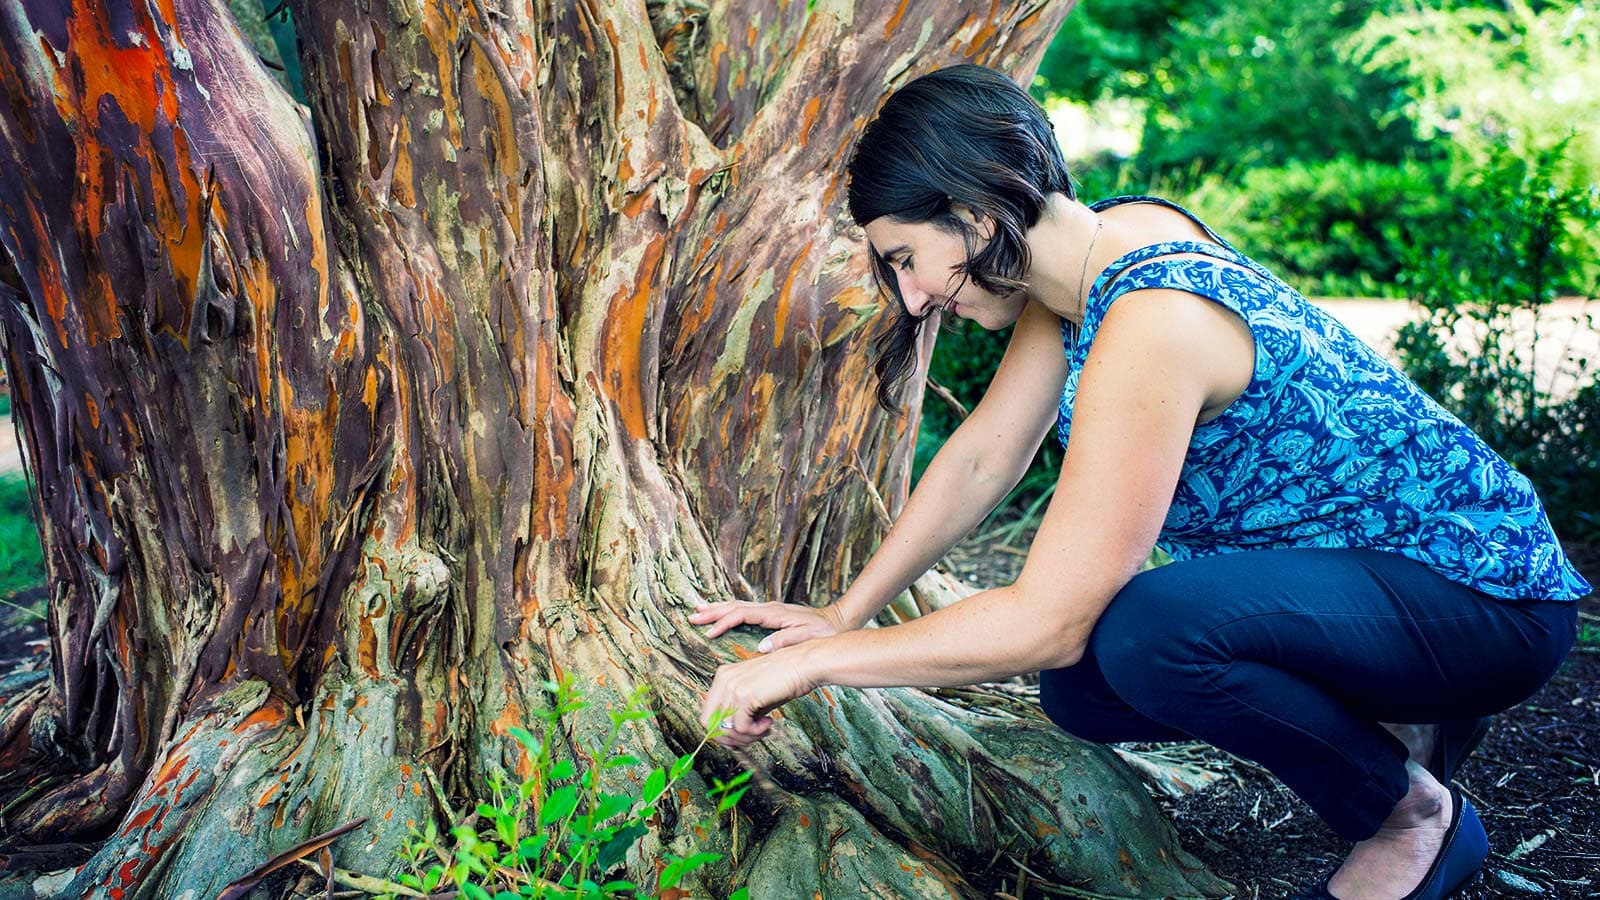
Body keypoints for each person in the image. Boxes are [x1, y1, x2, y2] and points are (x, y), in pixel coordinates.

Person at [691, 64, 1589, 900]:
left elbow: (1051, 616)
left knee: (1143, 637)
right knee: (1087, 685)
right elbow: (982, 457)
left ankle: (1412, 814)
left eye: (902, 258)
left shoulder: (1153, 317)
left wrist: (816, 668)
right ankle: (1399, 734)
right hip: (1380, 588)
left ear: (972, 215)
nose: (913, 298)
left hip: (1486, 598)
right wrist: (847, 612)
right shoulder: (1095, 261)